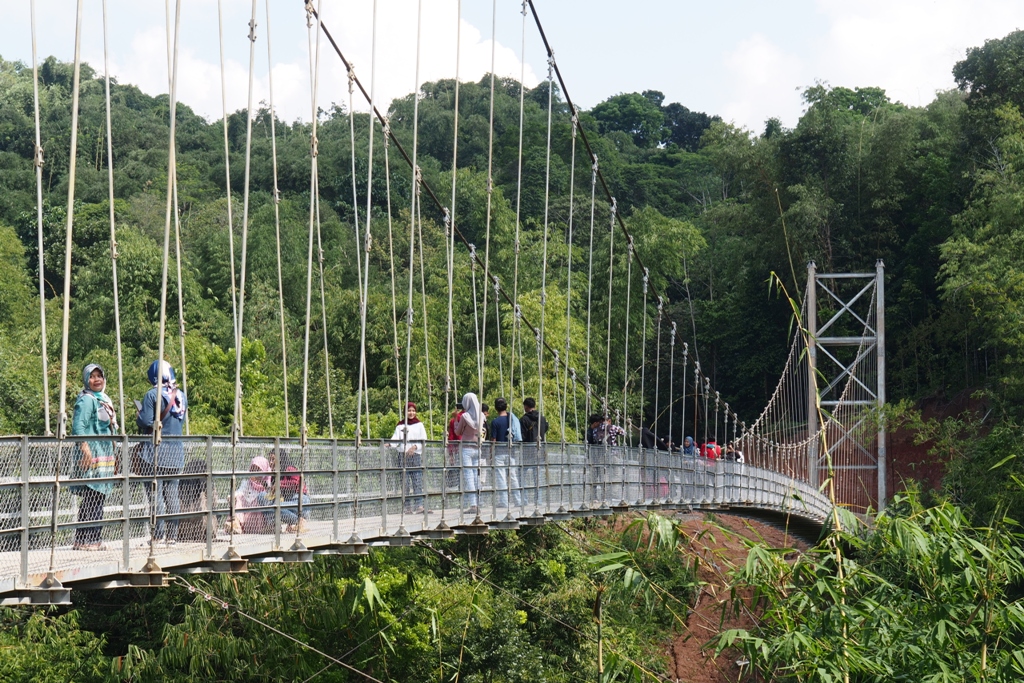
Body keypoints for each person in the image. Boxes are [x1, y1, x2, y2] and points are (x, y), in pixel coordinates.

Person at [136, 360, 188, 547]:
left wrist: (139, 417)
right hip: (175, 454)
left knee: (155, 495)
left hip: (155, 453)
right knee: (172, 495)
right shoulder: (181, 395)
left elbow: (148, 421)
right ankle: (172, 536)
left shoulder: (152, 394)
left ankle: (158, 536)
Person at [70, 364, 118, 551]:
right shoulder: (87, 400)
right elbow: (78, 427)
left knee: (97, 497)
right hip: (92, 455)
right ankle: (86, 539)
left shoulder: (103, 399)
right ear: (86, 379)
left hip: (104, 454)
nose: (97, 379)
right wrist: (84, 449)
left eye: (100, 376)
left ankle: (90, 539)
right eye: (92, 376)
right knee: (92, 497)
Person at [389, 402, 427, 514]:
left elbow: (424, 439)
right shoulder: (400, 425)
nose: (411, 413)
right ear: (405, 412)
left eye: (413, 410)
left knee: (417, 480)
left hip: (415, 456)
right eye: (409, 410)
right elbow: (396, 439)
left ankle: (419, 505)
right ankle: (407, 507)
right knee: (405, 482)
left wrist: (415, 447)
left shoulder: (419, 425)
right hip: (403, 456)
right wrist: (389, 444)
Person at [260, 452, 311, 534]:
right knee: (261, 496)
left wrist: (279, 484)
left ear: (280, 459)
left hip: (300, 500)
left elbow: (297, 483)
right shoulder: (275, 474)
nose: (270, 462)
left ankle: (300, 521)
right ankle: (273, 525)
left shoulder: (289, 468)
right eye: (270, 459)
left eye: (273, 459)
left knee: (276, 506)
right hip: (287, 503)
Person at [488, 398, 521, 508]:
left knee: (501, 477)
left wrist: (491, 454)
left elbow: (493, 439)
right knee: (513, 476)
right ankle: (518, 501)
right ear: (506, 407)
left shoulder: (495, 422)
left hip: (499, 453)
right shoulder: (512, 420)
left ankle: (504, 501)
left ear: (495, 408)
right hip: (511, 452)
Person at [227, 456, 272, 534]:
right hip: (245, 513)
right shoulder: (247, 483)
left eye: (258, 470)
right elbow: (240, 491)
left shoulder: (268, 485)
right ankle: (235, 524)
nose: (254, 472)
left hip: (257, 516)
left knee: (261, 498)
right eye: (253, 469)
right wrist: (233, 495)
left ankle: (239, 525)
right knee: (237, 498)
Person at [454, 392, 483, 514]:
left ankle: (473, 505)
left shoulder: (465, 416)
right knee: (477, 477)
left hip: (466, 449)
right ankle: (479, 502)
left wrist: (456, 420)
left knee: (469, 477)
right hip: (478, 448)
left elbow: (458, 432)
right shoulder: (481, 415)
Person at [519, 398, 547, 506]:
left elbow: (522, 435)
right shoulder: (542, 418)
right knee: (537, 476)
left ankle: (524, 500)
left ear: (526, 406)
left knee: (521, 474)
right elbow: (545, 429)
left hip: (527, 451)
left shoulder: (524, 419)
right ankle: (538, 500)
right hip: (539, 450)